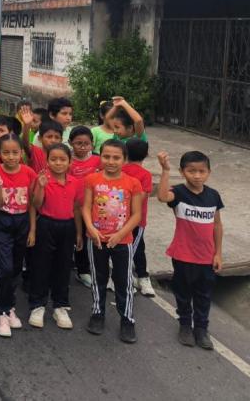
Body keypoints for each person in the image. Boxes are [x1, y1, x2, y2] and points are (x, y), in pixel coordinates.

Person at [156, 150, 223, 350]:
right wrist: (165, 170)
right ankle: (185, 324)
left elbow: (217, 225)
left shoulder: (213, 196)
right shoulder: (178, 193)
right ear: (182, 172)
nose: (197, 175)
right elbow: (161, 196)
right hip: (183, 255)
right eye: (191, 171)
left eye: (202, 171)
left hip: (206, 258)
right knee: (183, 293)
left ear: (208, 172)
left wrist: (218, 253)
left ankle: (201, 328)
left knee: (204, 295)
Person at [82, 139, 143, 344]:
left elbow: (136, 215)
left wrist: (120, 234)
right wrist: (90, 228)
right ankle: (98, 313)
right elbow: (86, 207)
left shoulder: (132, 183)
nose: (111, 161)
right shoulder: (92, 179)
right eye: (106, 156)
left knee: (123, 280)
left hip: (122, 241)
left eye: (116, 157)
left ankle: (127, 319)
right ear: (101, 157)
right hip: (97, 239)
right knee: (98, 277)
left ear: (124, 160)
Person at [0, 133, 37, 338]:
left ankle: (9, 307)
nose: (11, 156)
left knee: (15, 268)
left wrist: (32, 229)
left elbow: (32, 204)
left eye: (15, 152)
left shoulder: (29, 172)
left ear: (22, 153)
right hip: (2, 222)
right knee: (4, 268)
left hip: (22, 223)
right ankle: (1, 312)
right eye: (6, 152)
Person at [28, 144, 82, 330]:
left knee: (63, 266)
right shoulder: (41, 179)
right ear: (47, 161)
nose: (58, 163)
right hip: (45, 224)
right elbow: (35, 204)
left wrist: (78, 233)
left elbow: (76, 208)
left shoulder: (75, 182)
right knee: (41, 265)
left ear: (70, 162)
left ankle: (60, 305)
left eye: (62, 159)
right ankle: (38, 304)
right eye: (53, 159)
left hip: (67, 227)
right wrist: (41, 187)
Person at [122, 138, 155, 297]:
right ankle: (132, 278)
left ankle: (141, 277)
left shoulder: (121, 170)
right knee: (133, 249)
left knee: (136, 247)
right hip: (137, 220)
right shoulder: (145, 175)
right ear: (147, 154)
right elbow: (141, 197)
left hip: (120, 218)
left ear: (125, 153)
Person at [68, 125, 100, 288]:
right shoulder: (68, 161)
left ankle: (90, 270)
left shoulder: (97, 160)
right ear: (70, 143)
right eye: (78, 143)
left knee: (92, 238)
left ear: (92, 144)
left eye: (86, 143)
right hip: (73, 208)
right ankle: (81, 270)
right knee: (77, 237)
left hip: (94, 208)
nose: (82, 146)